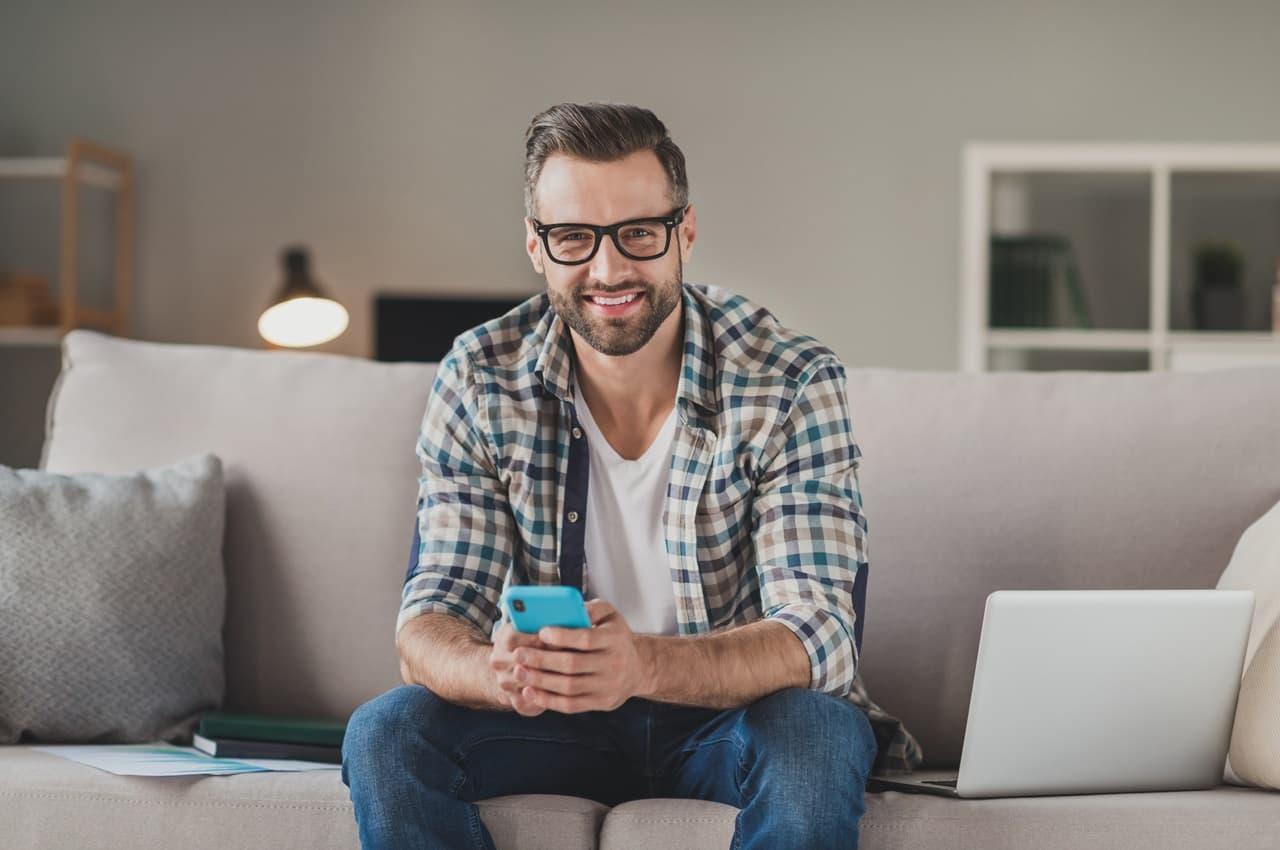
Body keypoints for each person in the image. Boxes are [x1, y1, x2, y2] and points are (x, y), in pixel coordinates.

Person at [341, 101, 921, 850]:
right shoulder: (481, 376)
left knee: (819, 733)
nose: (609, 269)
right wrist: (498, 672)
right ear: (536, 245)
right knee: (386, 731)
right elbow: (429, 621)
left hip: (729, 722)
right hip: (551, 724)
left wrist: (640, 664)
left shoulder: (789, 379)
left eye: (639, 234)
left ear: (684, 232)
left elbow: (818, 635)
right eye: (574, 237)